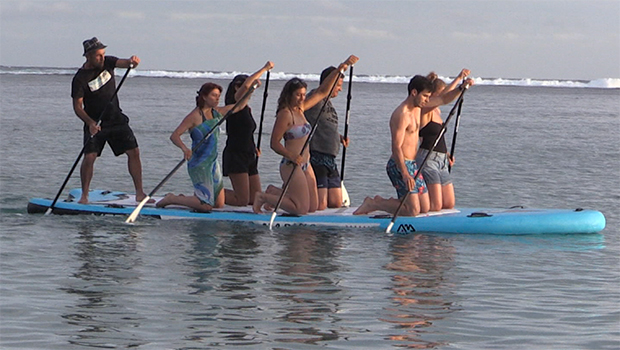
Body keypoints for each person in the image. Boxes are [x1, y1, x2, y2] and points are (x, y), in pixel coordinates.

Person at [253, 55, 359, 216]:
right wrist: (291, 156)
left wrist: (341, 67)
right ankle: (262, 197)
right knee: (301, 209)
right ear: (289, 95)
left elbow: (324, 91)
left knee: (314, 207)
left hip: (306, 164)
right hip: (291, 164)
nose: (303, 98)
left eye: (303, 94)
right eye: (298, 95)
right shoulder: (285, 114)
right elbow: (274, 143)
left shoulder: (301, 110)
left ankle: (275, 194)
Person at [156, 63, 267, 212]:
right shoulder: (194, 116)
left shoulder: (217, 113)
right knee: (207, 207)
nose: (217, 99)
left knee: (218, 204)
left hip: (213, 163)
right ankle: (172, 199)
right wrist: (185, 149)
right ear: (204, 96)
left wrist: (252, 90)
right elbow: (174, 136)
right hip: (199, 163)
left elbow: (238, 106)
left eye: (218, 96)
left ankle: (194, 198)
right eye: (214, 96)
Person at [354, 74, 470, 216]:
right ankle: (374, 203)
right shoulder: (401, 114)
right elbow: (396, 147)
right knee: (413, 211)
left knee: (425, 207)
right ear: (414, 93)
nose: (428, 100)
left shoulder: (419, 107)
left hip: (413, 165)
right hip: (399, 165)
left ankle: (395, 201)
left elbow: (443, 99)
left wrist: (460, 88)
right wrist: (404, 173)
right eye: (425, 96)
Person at [71, 37, 149, 204]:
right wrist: (90, 123)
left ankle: (140, 193)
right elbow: (78, 107)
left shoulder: (109, 62)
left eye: (103, 54)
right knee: (90, 157)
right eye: (98, 55)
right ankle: (84, 196)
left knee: (134, 152)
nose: (102, 58)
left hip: (116, 118)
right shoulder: (80, 78)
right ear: (88, 56)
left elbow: (126, 63)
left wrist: (133, 62)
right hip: (95, 123)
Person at [417, 69, 474, 211]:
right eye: (442, 93)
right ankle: (406, 205)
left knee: (448, 204)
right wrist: (460, 84)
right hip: (428, 159)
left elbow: (445, 95)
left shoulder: (437, 112)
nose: (447, 95)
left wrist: (447, 154)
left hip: (441, 159)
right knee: (435, 206)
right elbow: (444, 97)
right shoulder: (424, 110)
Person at [221, 62, 274, 206]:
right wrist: (264, 69)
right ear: (236, 88)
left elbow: (246, 132)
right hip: (236, 154)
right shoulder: (234, 106)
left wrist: (254, 148)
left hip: (249, 153)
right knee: (242, 200)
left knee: (253, 199)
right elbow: (245, 88)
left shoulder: (246, 109)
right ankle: (209, 192)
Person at [304, 66, 349, 210]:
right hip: (317, 156)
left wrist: (339, 137)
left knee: (336, 203)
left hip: (330, 158)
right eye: (338, 85)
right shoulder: (315, 99)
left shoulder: (329, 103)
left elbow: (326, 126)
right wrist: (343, 66)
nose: (340, 89)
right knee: (321, 204)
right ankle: (276, 193)